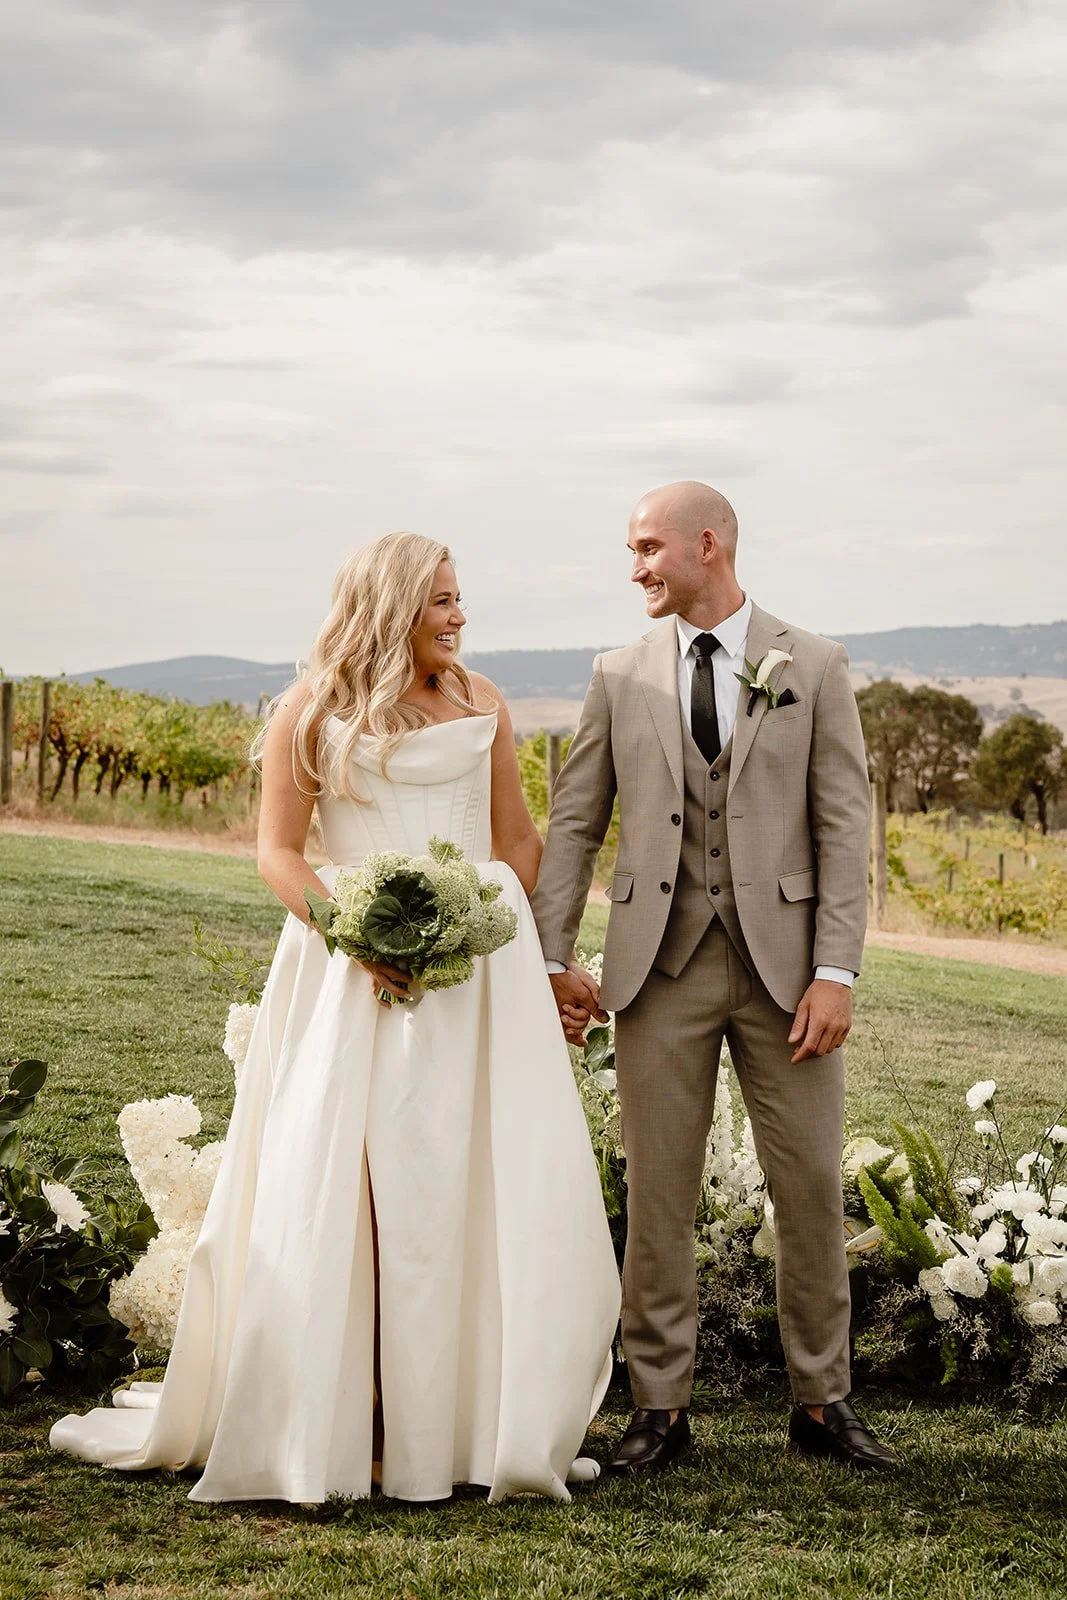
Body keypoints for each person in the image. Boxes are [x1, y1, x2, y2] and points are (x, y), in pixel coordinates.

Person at [50, 532, 620, 1505]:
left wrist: (482, 929)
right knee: (350, 1175)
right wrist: (355, 934)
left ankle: (463, 1424)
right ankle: (340, 1418)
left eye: (458, 597)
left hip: (476, 979)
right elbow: (278, 851)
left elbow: (517, 839)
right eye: (441, 599)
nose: (458, 615)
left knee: (470, 1179)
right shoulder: (310, 710)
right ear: (392, 604)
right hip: (353, 975)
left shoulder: (483, 701)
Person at [533, 482, 899, 1473]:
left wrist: (835, 970)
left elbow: (839, 825)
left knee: (811, 1186)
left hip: (787, 976)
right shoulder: (618, 673)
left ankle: (821, 1403)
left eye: (648, 547)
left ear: (708, 544)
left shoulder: (812, 663)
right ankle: (659, 1405)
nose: (636, 567)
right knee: (657, 1193)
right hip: (657, 967)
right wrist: (550, 954)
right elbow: (574, 822)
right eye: (630, 550)